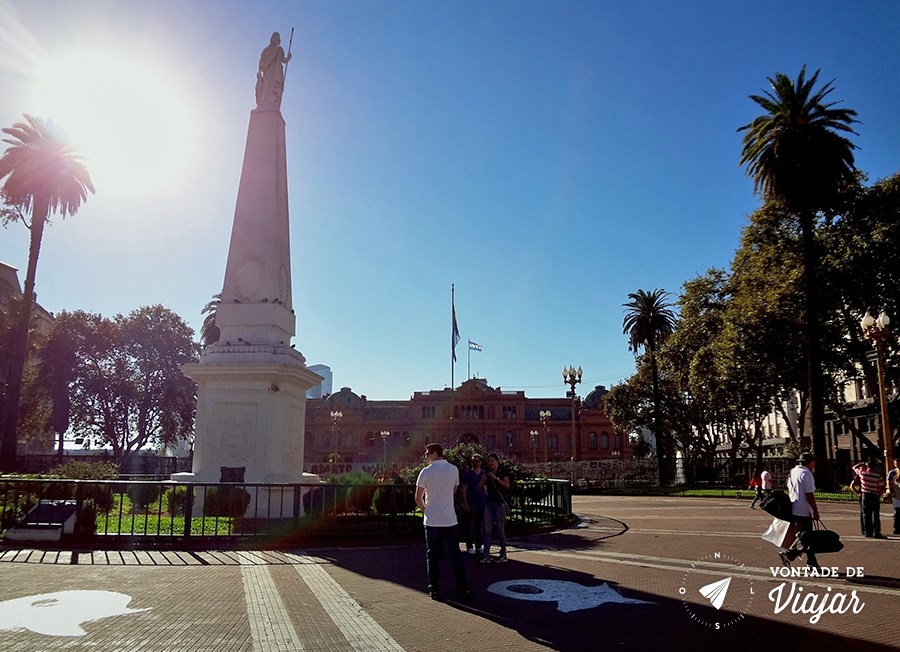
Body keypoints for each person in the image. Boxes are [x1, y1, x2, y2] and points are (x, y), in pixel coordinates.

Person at [415, 443, 473, 600]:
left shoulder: (425, 472)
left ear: (434, 454)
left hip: (432, 521)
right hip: (449, 519)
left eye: (427, 454)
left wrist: (427, 510)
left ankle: (434, 589)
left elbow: (418, 498)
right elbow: (453, 490)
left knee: (432, 556)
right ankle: (462, 587)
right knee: (455, 554)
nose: (426, 457)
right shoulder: (453, 469)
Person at [779, 452, 820, 569]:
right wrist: (815, 511)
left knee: (805, 536)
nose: (814, 465)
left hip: (795, 508)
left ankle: (811, 562)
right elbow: (809, 494)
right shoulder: (806, 474)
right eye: (813, 463)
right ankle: (789, 554)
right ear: (809, 463)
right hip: (804, 510)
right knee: (806, 537)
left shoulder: (793, 471)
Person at [479, 453, 510, 563]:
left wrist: (496, 478)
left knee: (500, 529)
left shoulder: (502, 472)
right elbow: (479, 488)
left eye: (492, 460)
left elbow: (507, 485)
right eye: (489, 461)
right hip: (489, 504)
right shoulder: (487, 473)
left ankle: (503, 554)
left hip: (499, 504)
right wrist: (483, 479)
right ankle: (486, 555)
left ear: (497, 461)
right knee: (487, 530)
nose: (491, 463)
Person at [851, 456, 887, 539]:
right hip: (874, 495)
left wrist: (862, 464)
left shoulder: (863, 473)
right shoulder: (878, 475)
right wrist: (879, 494)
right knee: (875, 514)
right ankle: (876, 532)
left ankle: (868, 532)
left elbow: (854, 467)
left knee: (866, 514)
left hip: (865, 495)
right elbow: (881, 487)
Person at [255, 31, 292, 111]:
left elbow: (283, 60)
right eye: (275, 37)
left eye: (277, 38)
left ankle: (273, 105)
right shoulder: (266, 50)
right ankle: (263, 105)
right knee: (265, 87)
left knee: (274, 89)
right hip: (267, 73)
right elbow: (261, 62)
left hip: (276, 73)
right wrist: (259, 72)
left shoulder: (280, 50)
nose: (276, 39)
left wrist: (288, 57)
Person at [459, 454, 487, 555]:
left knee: (479, 525)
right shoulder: (468, 475)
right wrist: (465, 503)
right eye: (473, 461)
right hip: (471, 503)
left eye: (477, 461)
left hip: (481, 503)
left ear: (480, 462)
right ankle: (469, 546)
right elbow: (463, 491)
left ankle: (479, 545)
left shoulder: (484, 474)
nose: (475, 462)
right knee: (470, 526)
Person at [887, 458, 900, 536]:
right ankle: (897, 528)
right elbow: (888, 482)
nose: (897, 465)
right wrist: (890, 490)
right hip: (896, 495)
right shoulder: (892, 472)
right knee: (897, 512)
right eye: (896, 463)